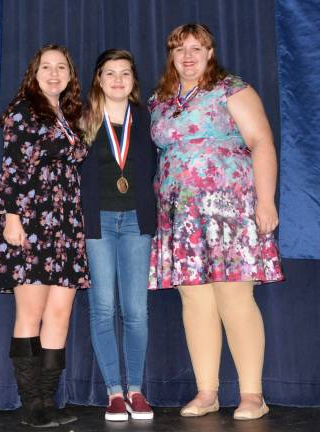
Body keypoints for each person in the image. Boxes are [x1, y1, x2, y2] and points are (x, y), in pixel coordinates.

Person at [148, 24, 284, 420]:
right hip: (180, 216)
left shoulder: (231, 89)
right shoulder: (160, 100)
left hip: (229, 210)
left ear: (210, 52)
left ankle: (252, 395)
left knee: (234, 297)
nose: (187, 56)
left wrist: (266, 201)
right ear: (171, 55)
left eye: (196, 48)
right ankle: (206, 392)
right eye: (179, 49)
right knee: (195, 302)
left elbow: (261, 142)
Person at [0, 44, 89, 428]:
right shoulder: (22, 111)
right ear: (34, 73)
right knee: (30, 314)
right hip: (30, 221)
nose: (53, 73)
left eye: (60, 67)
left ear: (69, 74)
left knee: (59, 313)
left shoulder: (68, 114)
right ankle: (31, 403)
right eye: (45, 67)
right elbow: (12, 168)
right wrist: (12, 217)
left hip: (65, 224)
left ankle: (49, 399)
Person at [80, 49, 156, 421]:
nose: (117, 80)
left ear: (133, 80)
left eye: (125, 73)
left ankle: (137, 391)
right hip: (98, 223)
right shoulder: (83, 119)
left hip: (136, 222)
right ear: (99, 79)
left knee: (136, 311)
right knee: (104, 308)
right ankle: (114, 392)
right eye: (110, 73)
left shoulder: (146, 118)